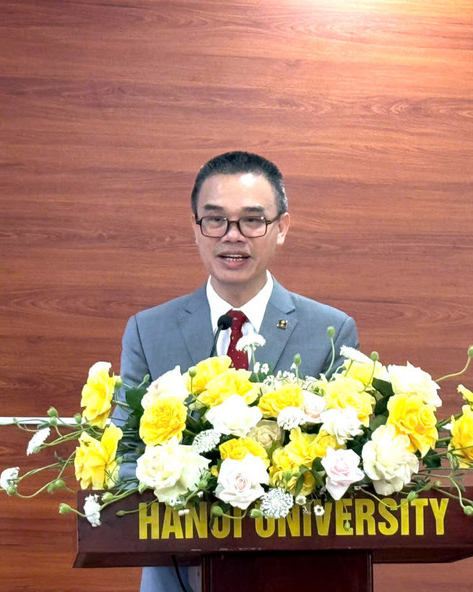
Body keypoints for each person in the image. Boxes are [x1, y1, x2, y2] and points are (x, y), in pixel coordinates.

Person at [120, 151, 359, 592]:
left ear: (281, 227)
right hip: (178, 576)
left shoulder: (330, 331)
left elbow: (344, 459)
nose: (233, 237)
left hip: (297, 576)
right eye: (215, 220)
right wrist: (190, 481)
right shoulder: (148, 331)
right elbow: (124, 458)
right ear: (195, 227)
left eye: (252, 221)